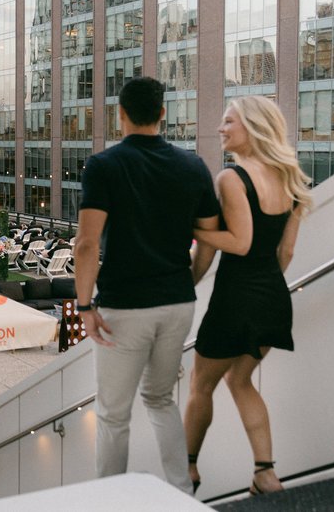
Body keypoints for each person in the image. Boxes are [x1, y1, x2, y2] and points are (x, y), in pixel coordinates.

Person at [74, 76, 219, 494]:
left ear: (120, 115)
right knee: (160, 399)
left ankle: (109, 500)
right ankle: (183, 489)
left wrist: (85, 308)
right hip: (177, 304)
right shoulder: (193, 166)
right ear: (162, 113)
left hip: (126, 306)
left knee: (113, 415)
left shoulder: (104, 166)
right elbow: (207, 242)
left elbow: (86, 244)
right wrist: (185, 280)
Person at [183, 96, 312, 496]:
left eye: (228, 122)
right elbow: (285, 252)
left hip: (234, 299)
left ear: (252, 127)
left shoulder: (231, 178)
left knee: (201, 385)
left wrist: (190, 230)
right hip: (272, 297)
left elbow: (237, 243)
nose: (221, 129)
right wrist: (264, 286)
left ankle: (186, 469)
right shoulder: (290, 178)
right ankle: (265, 472)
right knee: (241, 381)